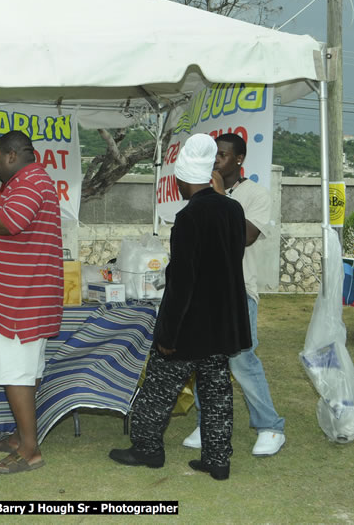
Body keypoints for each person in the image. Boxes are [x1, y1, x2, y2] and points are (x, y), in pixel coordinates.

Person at [109, 133, 251, 481]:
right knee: (217, 391)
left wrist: (167, 332)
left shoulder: (189, 217)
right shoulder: (233, 209)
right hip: (223, 323)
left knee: (158, 387)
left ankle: (146, 449)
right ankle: (218, 460)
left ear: (179, 178)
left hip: (190, 324)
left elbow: (183, 281)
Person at [0, 129, 63, 475]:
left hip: (19, 302)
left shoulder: (30, 181)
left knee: (17, 374)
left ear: (11, 155)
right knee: (23, 372)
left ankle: (30, 451)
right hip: (19, 297)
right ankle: (22, 438)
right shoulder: (29, 181)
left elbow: (10, 222)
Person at [182, 132, 286, 457]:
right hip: (205, 290)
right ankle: (207, 423)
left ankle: (270, 427)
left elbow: (244, 237)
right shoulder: (199, 194)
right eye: (213, 155)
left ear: (238, 159)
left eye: (222, 155)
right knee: (206, 359)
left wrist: (216, 199)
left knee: (241, 360)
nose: (216, 161)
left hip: (239, 291)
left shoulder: (256, 195)